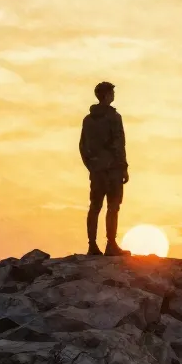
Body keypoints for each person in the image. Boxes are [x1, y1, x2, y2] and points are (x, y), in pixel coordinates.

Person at [79, 81, 130, 256]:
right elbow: (119, 144)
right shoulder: (114, 117)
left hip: (97, 170)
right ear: (107, 96)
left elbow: (82, 146)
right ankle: (111, 244)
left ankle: (92, 245)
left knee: (95, 206)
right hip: (113, 169)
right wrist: (123, 167)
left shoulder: (88, 120)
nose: (113, 95)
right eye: (112, 93)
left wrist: (92, 166)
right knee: (113, 206)